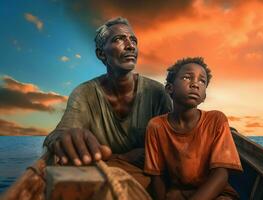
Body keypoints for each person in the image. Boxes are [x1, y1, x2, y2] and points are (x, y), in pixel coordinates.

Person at [43, 17, 172, 188]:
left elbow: (171, 146)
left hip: (149, 179)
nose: (130, 46)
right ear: (101, 54)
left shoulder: (157, 93)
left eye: (133, 40)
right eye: (119, 39)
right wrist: (64, 139)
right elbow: (58, 134)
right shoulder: (84, 93)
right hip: (104, 176)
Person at [144, 57, 243, 200]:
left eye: (202, 81)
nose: (195, 84)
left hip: (216, 194)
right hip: (177, 193)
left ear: (204, 96)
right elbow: (156, 176)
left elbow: (221, 173)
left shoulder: (216, 120)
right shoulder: (156, 126)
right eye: (187, 77)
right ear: (169, 88)